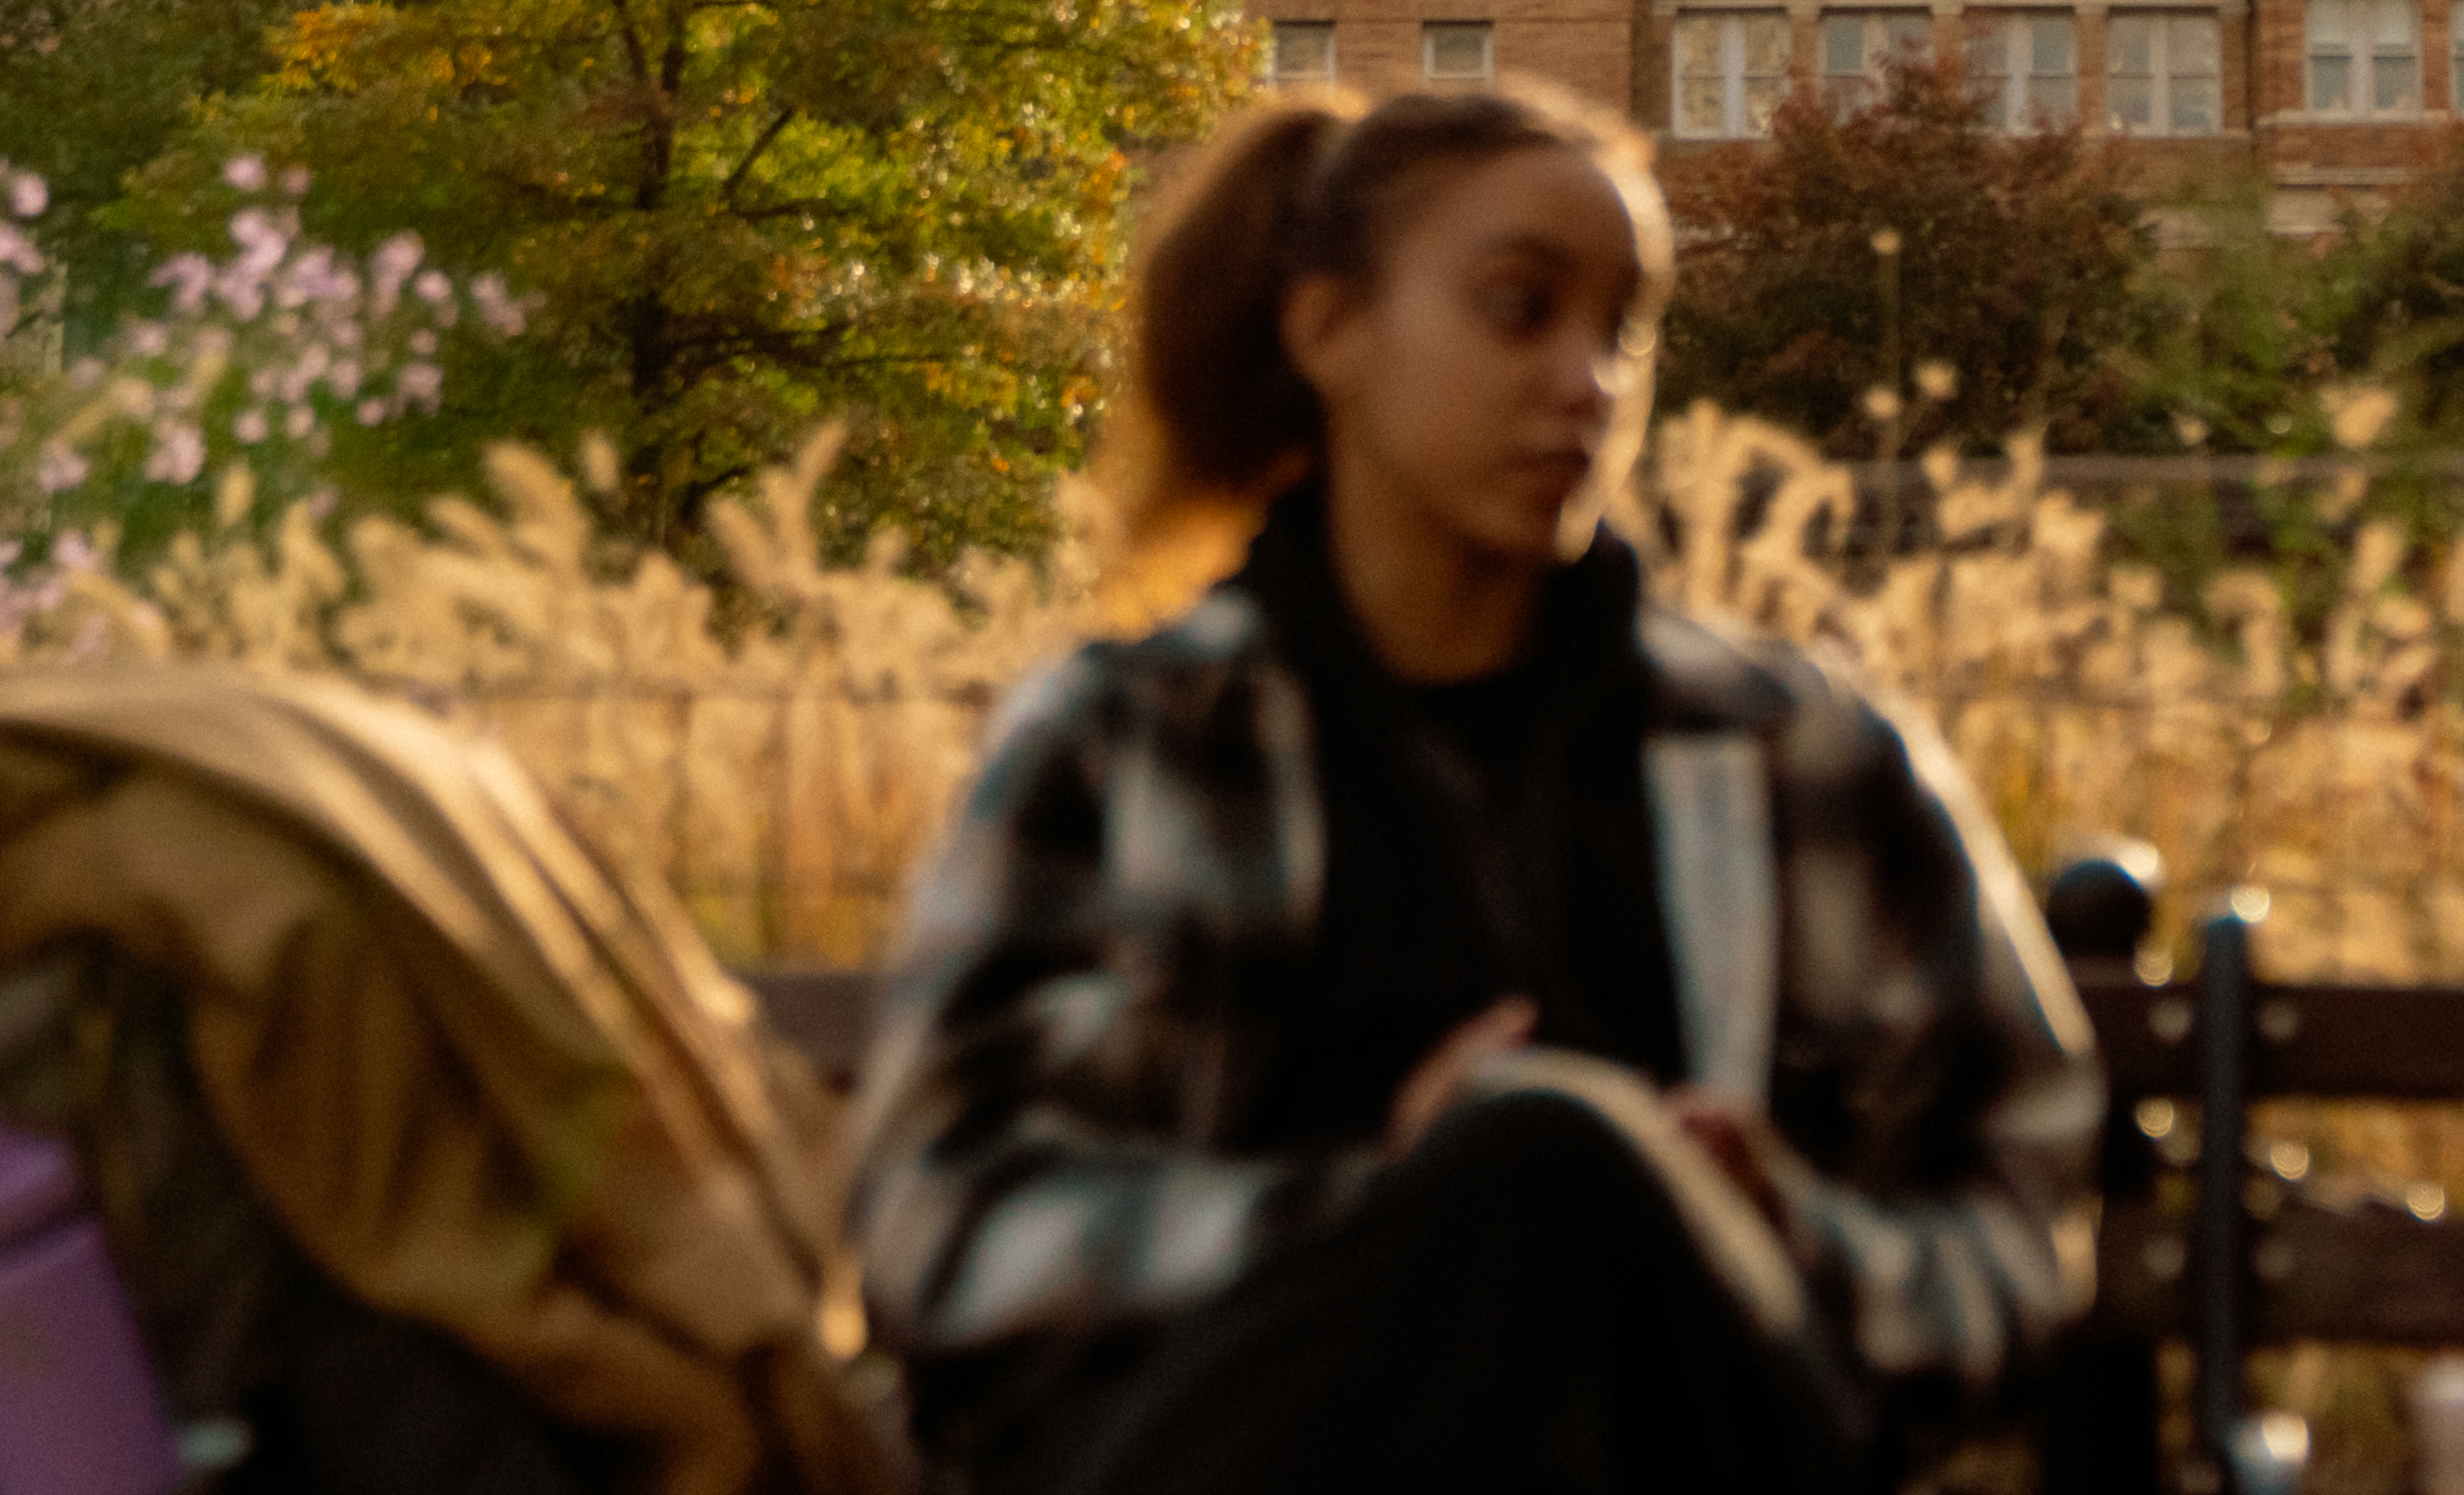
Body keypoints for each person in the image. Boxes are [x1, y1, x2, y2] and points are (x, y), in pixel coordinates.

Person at [848, 79, 2098, 1495]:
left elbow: (2022, 1232)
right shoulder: (1130, 737)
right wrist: (1385, 1208)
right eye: (1522, 306)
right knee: (1536, 1163)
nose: (1591, 379)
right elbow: (936, 1237)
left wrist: (1755, 1225)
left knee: (1560, 1168)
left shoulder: (1795, 747)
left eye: (1622, 327)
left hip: (1682, 1442)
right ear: (1330, 329)